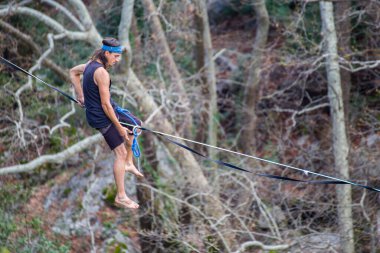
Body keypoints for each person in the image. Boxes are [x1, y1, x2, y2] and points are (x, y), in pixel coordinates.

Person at [70, 37, 143, 209]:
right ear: (106, 52)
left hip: (104, 109)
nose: (117, 60)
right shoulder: (102, 73)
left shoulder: (89, 65)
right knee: (120, 152)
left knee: (135, 125)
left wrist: (81, 95)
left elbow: (73, 71)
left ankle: (129, 162)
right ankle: (121, 196)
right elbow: (105, 105)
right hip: (100, 116)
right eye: (115, 56)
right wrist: (119, 127)